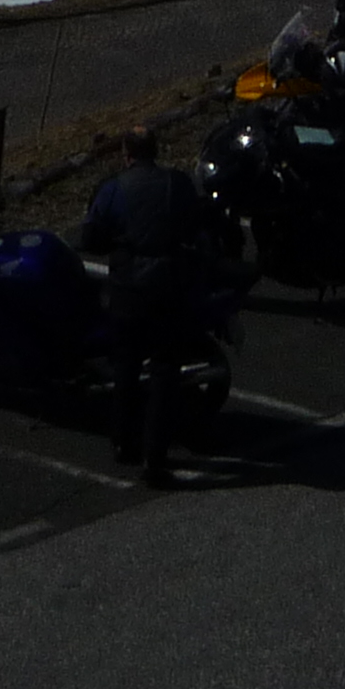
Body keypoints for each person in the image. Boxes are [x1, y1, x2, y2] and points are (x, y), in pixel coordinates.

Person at [82, 127, 211, 482]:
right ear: (156, 150)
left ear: (127, 154)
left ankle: (123, 442)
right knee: (165, 372)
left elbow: (91, 236)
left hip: (128, 289)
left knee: (125, 368)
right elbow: (196, 224)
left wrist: (118, 243)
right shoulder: (177, 184)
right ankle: (154, 456)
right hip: (167, 286)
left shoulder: (113, 188)